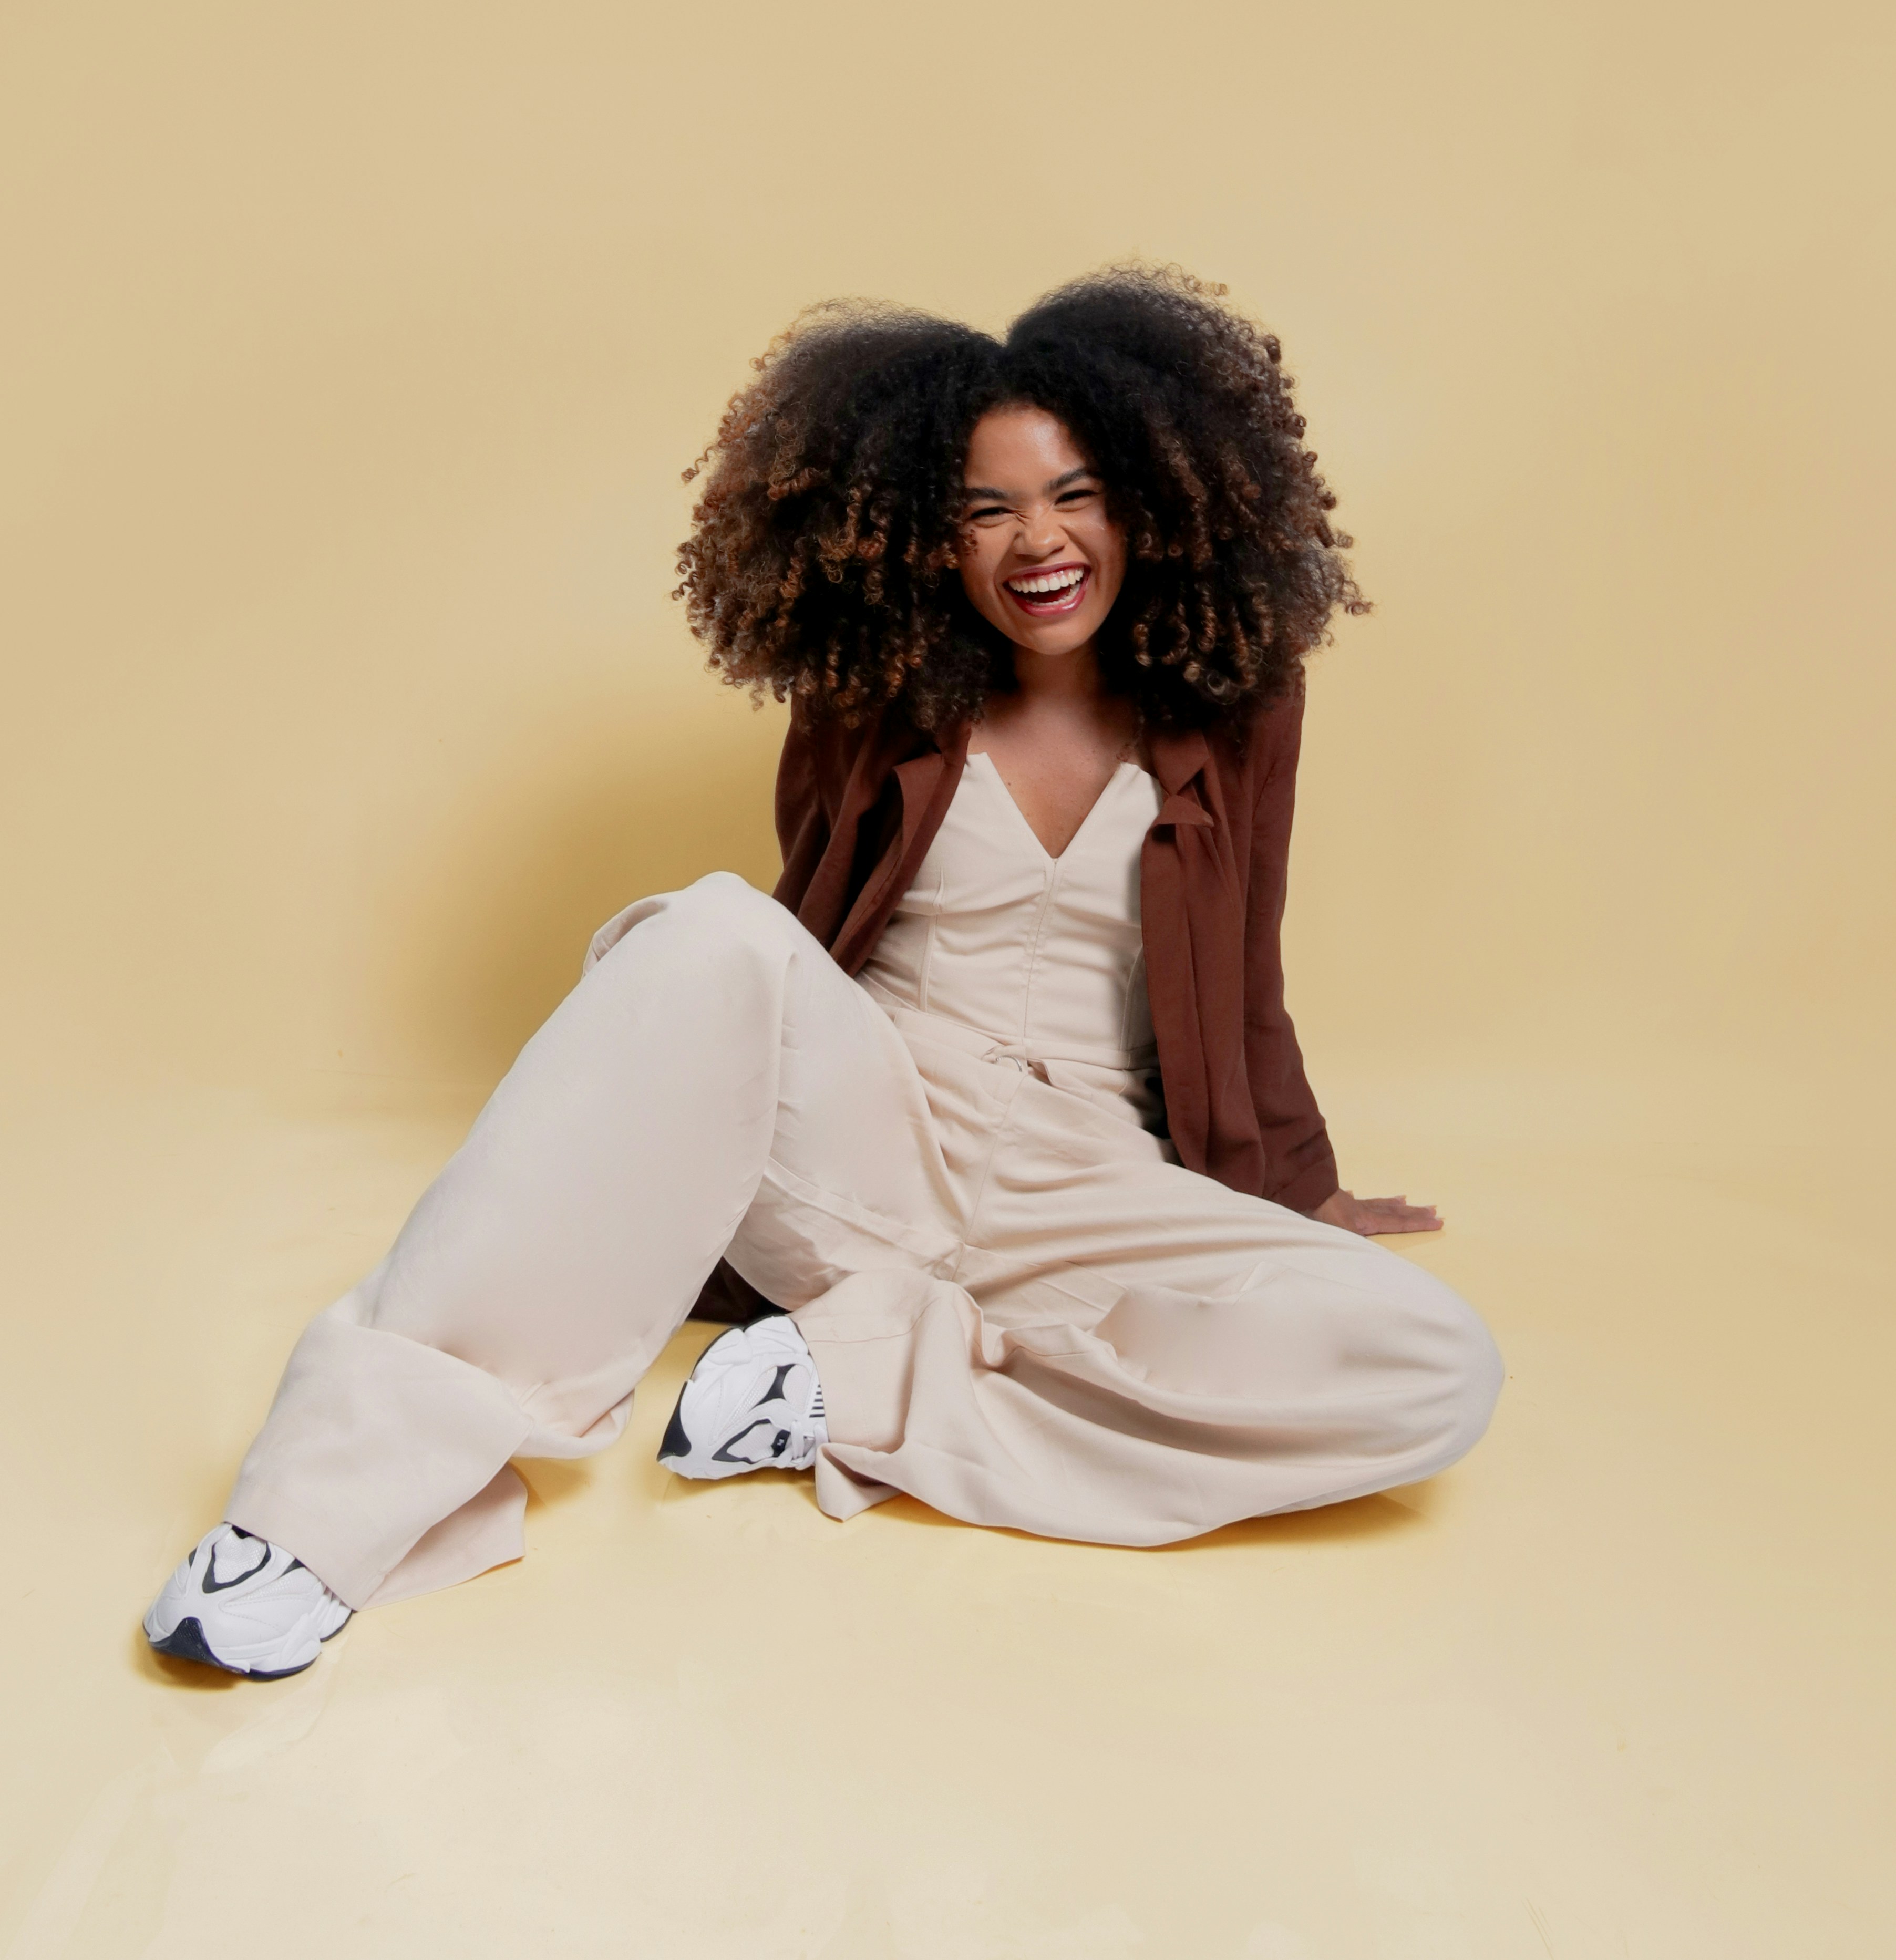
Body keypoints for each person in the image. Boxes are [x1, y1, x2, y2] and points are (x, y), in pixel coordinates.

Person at [145, 266, 1501, 1678]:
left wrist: (1300, 1187)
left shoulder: (1238, 700)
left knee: (1435, 1364)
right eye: (988, 507)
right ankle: (311, 1519)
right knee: (714, 927)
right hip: (867, 1133)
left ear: (1155, 496)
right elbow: (802, 925)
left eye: (1077, 491)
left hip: (1090, 1182)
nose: (1039, 539)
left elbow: (1249, 963)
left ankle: (861, 1377)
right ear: (935, 535)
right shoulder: (879, 686)